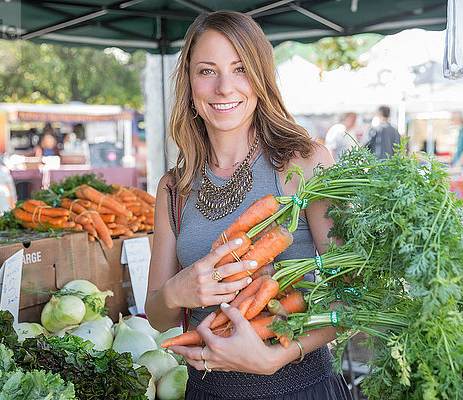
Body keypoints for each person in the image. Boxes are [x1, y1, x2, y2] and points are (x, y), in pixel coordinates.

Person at [144, 11, 351, 400]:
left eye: (240, 69)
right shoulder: (174, 189)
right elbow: (157, 316)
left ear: (260, 78)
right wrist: (177, 293)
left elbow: (351, 296)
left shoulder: (304, 163)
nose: (224, 87)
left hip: (301, 387)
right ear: (189, 82)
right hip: (208, 391)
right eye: (207, 71)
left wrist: (278, 355)